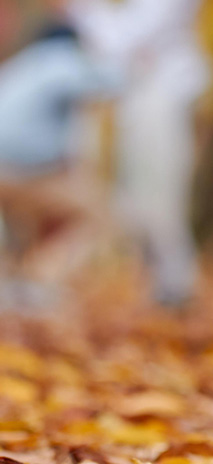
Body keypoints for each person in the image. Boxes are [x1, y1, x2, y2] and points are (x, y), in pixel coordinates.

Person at [69, 0, 210, 307]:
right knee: (138, 197)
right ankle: (159, 286)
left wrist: (79, 9)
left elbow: (119, 40)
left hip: (164, 96)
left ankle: (176, 285)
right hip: (142, 96)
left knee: (160, 196)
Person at [0, 22, 110, 309]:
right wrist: (117, 65)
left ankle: (10, 288)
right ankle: (40, 282)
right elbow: (106, 82)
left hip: (10, 173)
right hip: (24, 171)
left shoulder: (16, 66)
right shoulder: (61, 59)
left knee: (22, 226)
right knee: (96, 216)